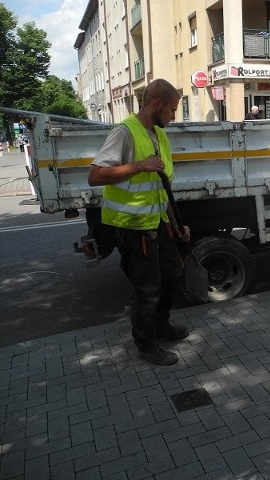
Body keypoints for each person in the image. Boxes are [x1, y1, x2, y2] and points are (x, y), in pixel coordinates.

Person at [88, 79, 191, 366]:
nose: (173, 116)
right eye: (171, 110)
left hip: (157, 221)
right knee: (148, 288)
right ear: (157, 104)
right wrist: (138, 165)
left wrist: (176, 223)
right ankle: (146, 344)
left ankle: (162, 325)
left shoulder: (158, 134)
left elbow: (162, 186)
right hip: (134, 225)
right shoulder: (124, 132)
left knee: (172, 275)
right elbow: (95, 176)